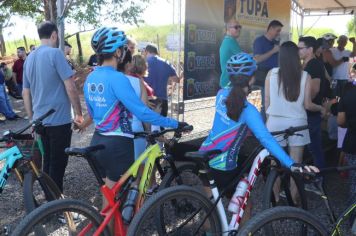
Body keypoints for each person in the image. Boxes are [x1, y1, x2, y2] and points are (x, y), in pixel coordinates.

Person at [76, 27, 186, 210]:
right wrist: (175, 123)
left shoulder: (91, 78)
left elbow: (93, 113)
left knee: (109, 201)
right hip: (118, 145)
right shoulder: (118, 79)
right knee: (117, 203)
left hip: (98, 140)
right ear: (118, 52)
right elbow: (142, 113)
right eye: (123, 49)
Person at [199, 52, 319, 219]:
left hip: (204, 155)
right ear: (251, 79)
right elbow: (266, 139)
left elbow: (229, 124)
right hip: (224, 165)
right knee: (246, 207)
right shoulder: (249, 111)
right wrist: (291, 164)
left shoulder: (220, 95)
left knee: (210, 208)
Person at [22, 21, 83, 192]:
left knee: (47, 161)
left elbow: (25, 93)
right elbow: (70, 86)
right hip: (59, 120)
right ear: (54, 35)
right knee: (58, 163)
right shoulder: (55, 54)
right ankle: (56, 207)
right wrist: (79, 113)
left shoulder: (29, 58)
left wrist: (31, 118)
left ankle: (49, 202)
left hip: (40, 120)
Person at [265, 41, 325, 202]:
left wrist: (270, 120)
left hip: (275, 124)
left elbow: (267, 103)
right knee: (296, 164)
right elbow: (308, 104)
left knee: (274, 165)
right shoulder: (305, 76)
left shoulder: (271, 74)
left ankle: (275, 200)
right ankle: (293, 202)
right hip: (298, 124)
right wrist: (321, 108)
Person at [298, 36, 327, 171]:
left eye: (300, 48)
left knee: (314, 147)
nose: (298, 50)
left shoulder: (314, 65)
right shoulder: (306, 64)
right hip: (306, 111)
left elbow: (314, 90)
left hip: (311, 112)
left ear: (310, 49)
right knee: (309, 146)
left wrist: (303, 102)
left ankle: (318, 178)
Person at [253, 20, 283, 119]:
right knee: (265, 103)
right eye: (277, 30)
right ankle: (263, 128)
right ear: (270, 29)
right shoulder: (259, 41)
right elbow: (256, 59)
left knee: (273, 102)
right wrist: (273, 51)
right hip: (263, 76)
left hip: (275, 75)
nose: (278, 33)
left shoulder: (275, 43)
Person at [337, 80, 356, 231]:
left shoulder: (349, 95)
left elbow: (341, 121)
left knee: (354, 185)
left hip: (352, 144)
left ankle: (353, 222)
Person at [144, 44, 179, 117]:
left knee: (148, 126)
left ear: (146, 51)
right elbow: (176, 79)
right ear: (156, 52)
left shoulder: (143, 63)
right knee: (161, 125)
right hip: (162, 99)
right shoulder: (166, 62)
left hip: (147, 99)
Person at [219, 18, 242, 88]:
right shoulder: (230, 41)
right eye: (236, 27)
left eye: (239, 27)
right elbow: (245, 59)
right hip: (229, 83)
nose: (239, 29)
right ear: (228, 29)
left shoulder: (228, 40)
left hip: (228, 82)